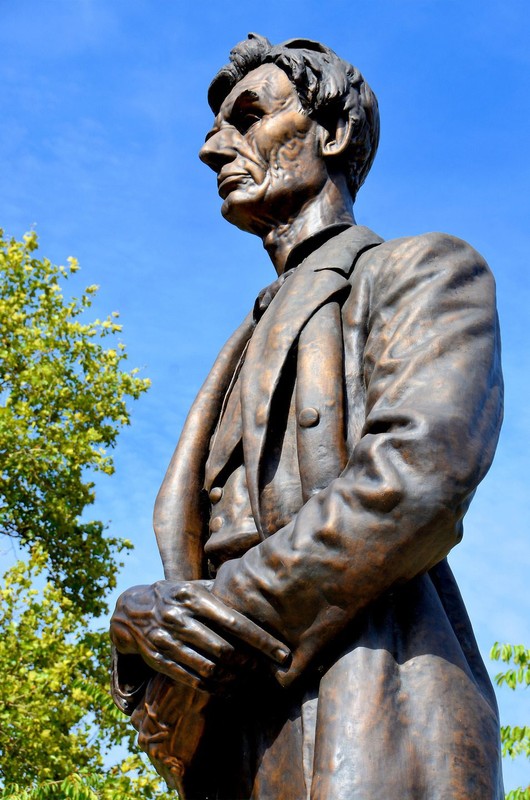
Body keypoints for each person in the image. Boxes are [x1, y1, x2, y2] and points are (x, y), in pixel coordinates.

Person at [110, 34, 504, 799]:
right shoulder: (237, 346)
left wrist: (225, 614)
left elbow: (417, 477)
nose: (210, 148)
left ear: (332, 133)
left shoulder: (421, 272)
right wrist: (137, 622)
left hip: (364, 695)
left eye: (248, 115)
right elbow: (194, 560)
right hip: (230, 738)